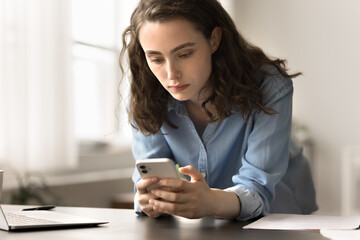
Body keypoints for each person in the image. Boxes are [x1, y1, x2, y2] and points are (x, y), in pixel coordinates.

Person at [119, 0, 318, 220]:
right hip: (208, 220)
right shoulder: (145, 96)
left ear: (214, 40)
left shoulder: (270, 86)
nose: (171, 74)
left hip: (279, 211)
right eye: (156, 59)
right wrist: (151, 200)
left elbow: (257, 188)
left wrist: (209, 202)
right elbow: (149, 178)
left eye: (184, 54)